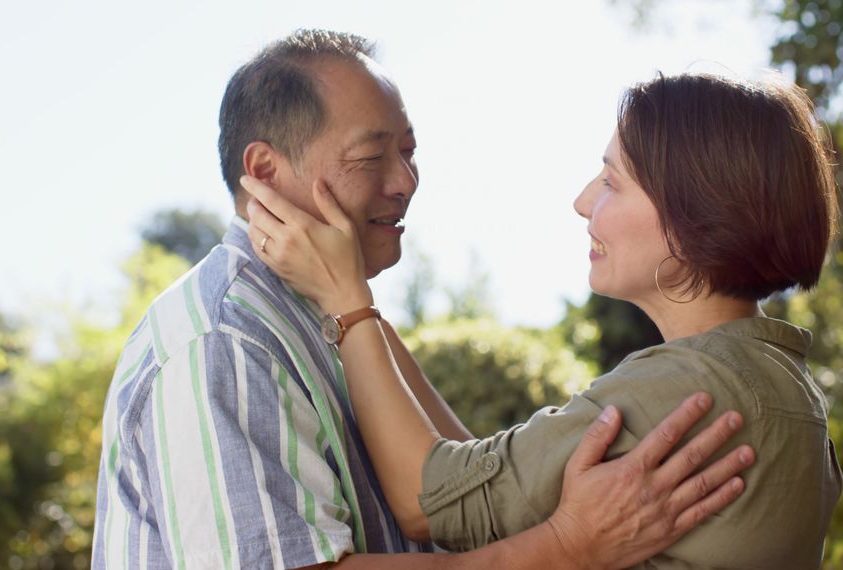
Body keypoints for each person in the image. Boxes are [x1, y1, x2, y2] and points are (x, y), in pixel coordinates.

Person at [91, 29, 756, 570]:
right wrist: (569, 547)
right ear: (265, 172)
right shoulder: (224, 340)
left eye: (410, 153)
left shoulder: (331, 319)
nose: (405, 181)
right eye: (372, 156)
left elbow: (464, 496)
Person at [243, 70, 843, 568]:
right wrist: (356, 301)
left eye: (613, 181)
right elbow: (480, 478)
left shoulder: (685, 388)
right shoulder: (775, 380)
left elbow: (432, 503)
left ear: (692, 220)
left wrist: (348, 303)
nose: (583, 201)